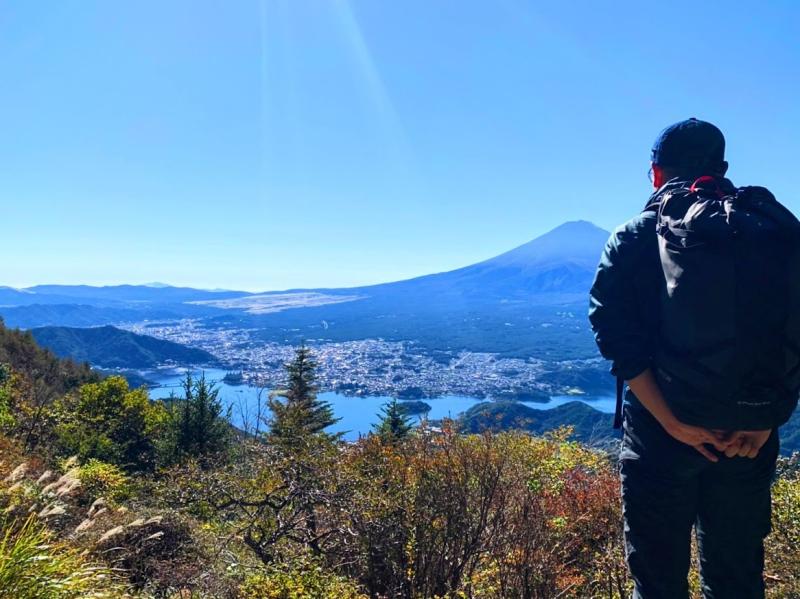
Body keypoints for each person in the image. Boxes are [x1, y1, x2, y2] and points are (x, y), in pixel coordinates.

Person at [588, 118, 800, 598]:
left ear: (655, 174)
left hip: (660, 437)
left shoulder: (637, 235)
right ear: (722, 168)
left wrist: (673, 423)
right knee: (736, 578)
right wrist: (765, 421)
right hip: (748, 436)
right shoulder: (773, 234)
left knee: (658, 581)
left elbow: (614, 336)